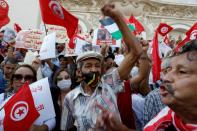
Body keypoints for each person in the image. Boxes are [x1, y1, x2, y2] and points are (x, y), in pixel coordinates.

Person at [60, 2, 142, 131]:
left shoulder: (109, 83)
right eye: (88, 66)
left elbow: (136, 52)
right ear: (79, 71)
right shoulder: (71, 98)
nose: (93, 69)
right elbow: (65, 128)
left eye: (97, 65)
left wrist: (117, 19)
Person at [91, 40, 197, 131]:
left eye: (182, 72)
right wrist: (121, 129)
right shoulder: (167, 118)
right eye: (168, 70)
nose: (166, 78)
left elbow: (141, 74)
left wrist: (118, 19)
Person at [0, 64, 56, 131]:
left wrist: (41, 128)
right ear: (12, 82)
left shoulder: (42, 98)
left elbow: (51, 118)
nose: (23, 81)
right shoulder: (2, 98)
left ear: (34, 82)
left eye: (28, 78)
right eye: (18, 77)